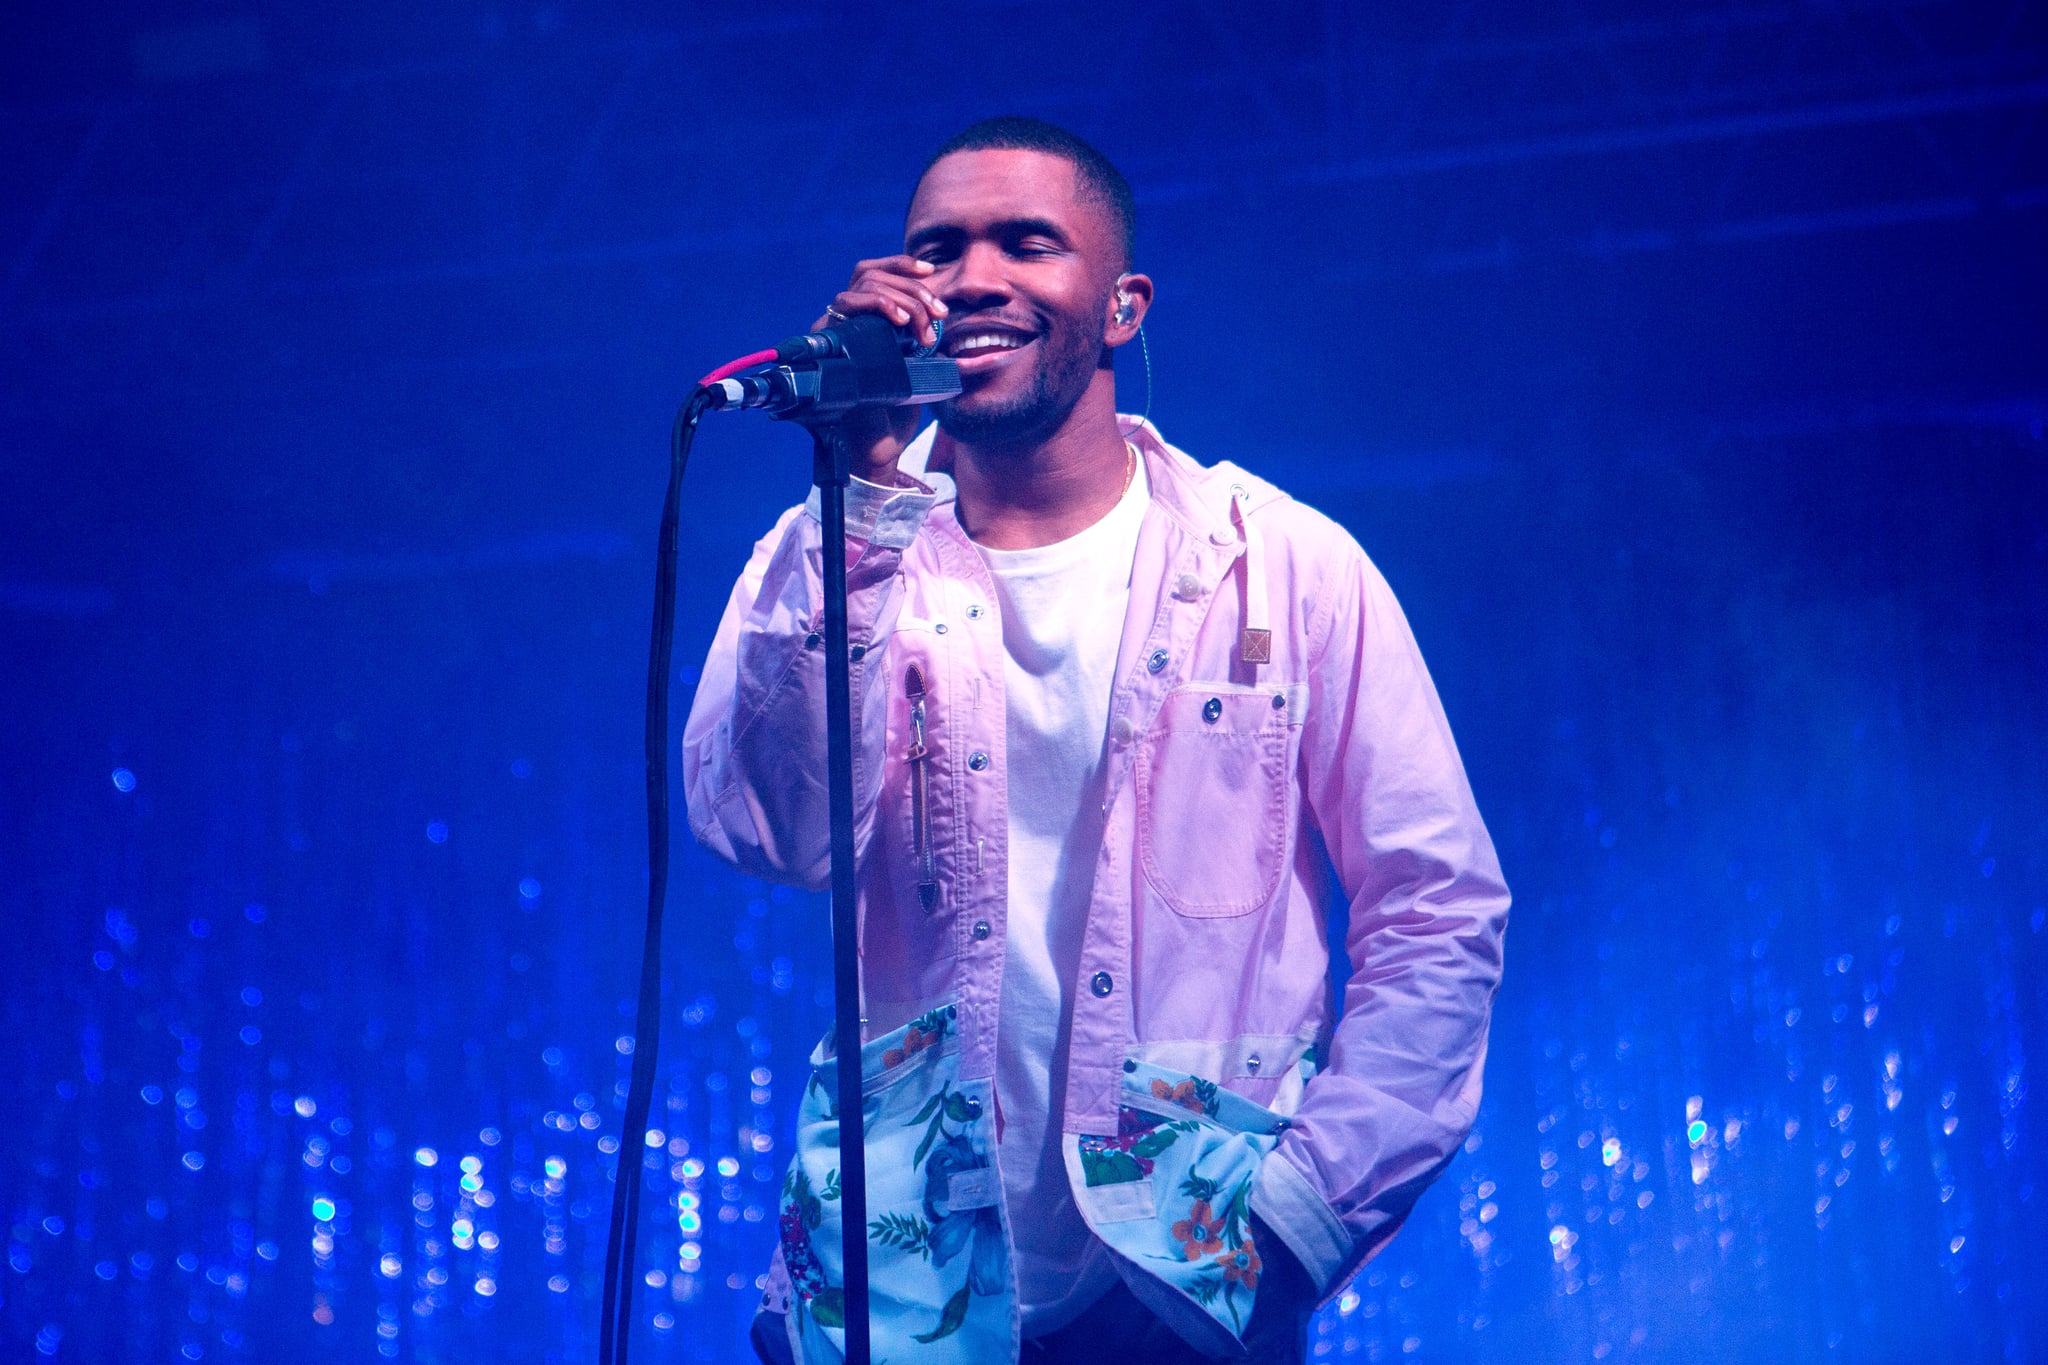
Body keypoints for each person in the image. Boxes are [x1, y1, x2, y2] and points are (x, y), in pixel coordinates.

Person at [684, 116, 1509, 1365]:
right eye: (937, 249)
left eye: (1026, 244)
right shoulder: (830, 552)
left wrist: (1302, 1217)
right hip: (897, 1289)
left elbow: (1435, 908)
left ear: (1120, 304)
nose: (973, 279)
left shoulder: (1281, 566)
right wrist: (853, 499)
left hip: (1188, 1271)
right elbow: (775, 834)